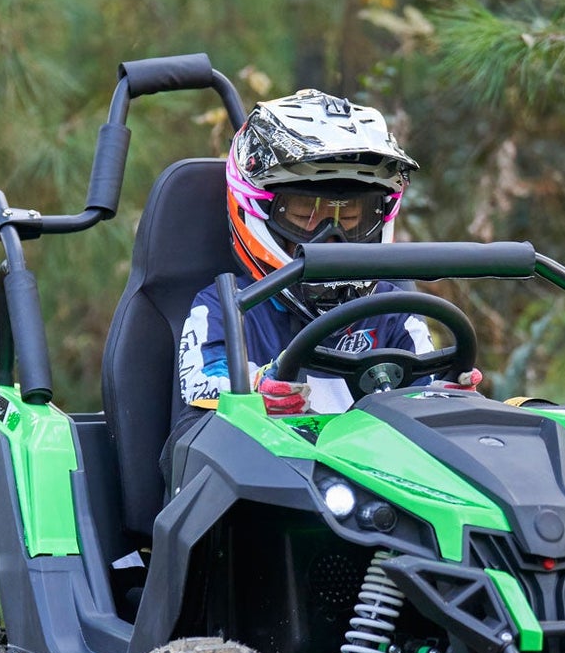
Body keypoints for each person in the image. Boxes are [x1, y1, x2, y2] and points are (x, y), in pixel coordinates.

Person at [172, 89, 480, 444]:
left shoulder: (393, 311)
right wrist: (258, 389)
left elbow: (427, 393)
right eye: (306, 214)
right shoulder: (225, 308)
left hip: (371, 469)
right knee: (199, 428)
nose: (332, 238)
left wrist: (446, 396)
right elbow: (204, 392)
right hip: (268, 466)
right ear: (260, 211)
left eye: (350, 217)